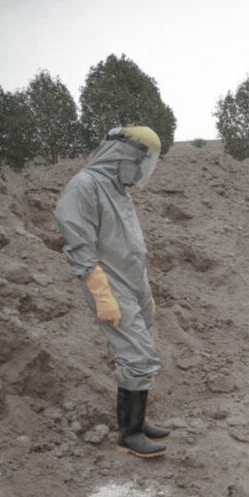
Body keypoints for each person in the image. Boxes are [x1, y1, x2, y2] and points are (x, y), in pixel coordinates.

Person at [54, 126, 170, 459]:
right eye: (139, 159)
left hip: (134, 282)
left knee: (144, 349)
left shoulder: (119, 189)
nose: (141, 167)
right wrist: (100, 291)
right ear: (122, 154)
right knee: (136, 354)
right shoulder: (85, 186)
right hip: (109, 282)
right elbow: (79, 242)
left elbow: (128, 243)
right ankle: (129, 435)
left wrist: (144, 288)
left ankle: (140, 421)